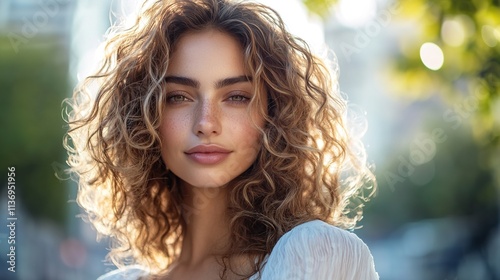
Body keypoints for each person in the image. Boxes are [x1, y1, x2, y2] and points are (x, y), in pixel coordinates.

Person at [64, 0, 378, 279]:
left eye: (237, 97)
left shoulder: (315, 253)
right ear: (142, 119)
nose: (206, 123)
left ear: (275, 114)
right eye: (179, 97)